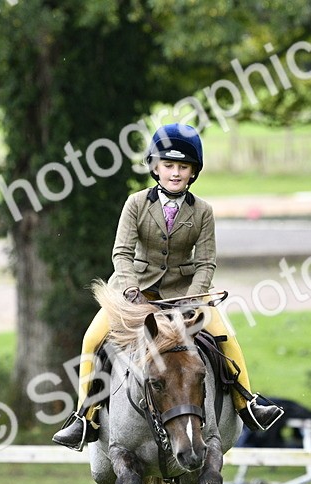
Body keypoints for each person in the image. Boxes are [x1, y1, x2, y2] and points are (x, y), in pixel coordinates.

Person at [53, 123, 283, 450]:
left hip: (185, 293)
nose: (175, 173)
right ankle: (84, 417)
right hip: (135, 294)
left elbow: (206, 261)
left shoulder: (203, 211)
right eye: (169, 165)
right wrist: (130, 289)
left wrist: (196, 297)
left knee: (226, 337)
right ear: (155, 167)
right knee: (93, 338)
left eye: (183, 167)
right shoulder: (135, 203)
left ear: (193, 172)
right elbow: (121, 252)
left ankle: (248, 403)